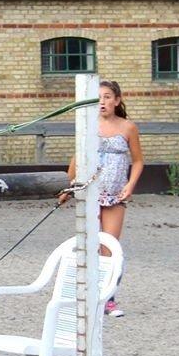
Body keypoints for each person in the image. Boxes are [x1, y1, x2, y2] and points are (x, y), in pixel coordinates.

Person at [59, 80, 144, 317]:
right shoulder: (88, 126)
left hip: (115, 195)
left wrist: (130, 185)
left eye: (107, 97)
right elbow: (77, 158)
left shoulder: (128, 128)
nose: (102, 102)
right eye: (98, 97)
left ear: (117, 100)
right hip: (90, 193)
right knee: (90, 245)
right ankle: (87, 295)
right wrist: (68, 187)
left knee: (110, 246)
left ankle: (109, 299)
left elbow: (137, 161)